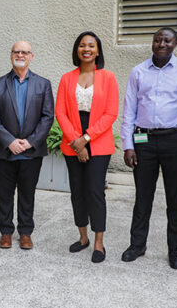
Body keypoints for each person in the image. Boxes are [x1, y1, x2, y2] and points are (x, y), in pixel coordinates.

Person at [119, 27, 177, 270]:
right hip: (143, 140)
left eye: (167, 40)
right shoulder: (138, 72)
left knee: (176, 199)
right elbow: (129, 110)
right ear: (152, 43)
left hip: (175, 139)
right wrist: (128, 145)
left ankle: (175, 250)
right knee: (143, 197)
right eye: (157, 40)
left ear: (175, 43)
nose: (162, 44)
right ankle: (137, 245)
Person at [55, 31, 119, 263]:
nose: (86, 49)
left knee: (94, 192)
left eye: (91, 45)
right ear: (77, 50)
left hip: (98, 141)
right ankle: (83, 238)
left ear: (98, 50)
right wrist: (77, 142)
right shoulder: (66, 78)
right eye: (82, 45)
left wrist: (86, 139)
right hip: (72, 139)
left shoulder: (109, 77)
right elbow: (60, 112)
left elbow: (111, 113)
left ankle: (99, 243)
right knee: (78, 192)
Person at [0, 41, 54, 250]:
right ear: (11, 55)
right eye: (17, 51)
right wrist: (10, 141)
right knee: (4, 194)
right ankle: (6, 232)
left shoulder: (43, 84)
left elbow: (47, 116)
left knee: (27, 193)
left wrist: (30, 142)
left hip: (31, 152)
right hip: (4, 151)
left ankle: (25, 232)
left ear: (32, 56)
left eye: (25, 52)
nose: (21, 55)